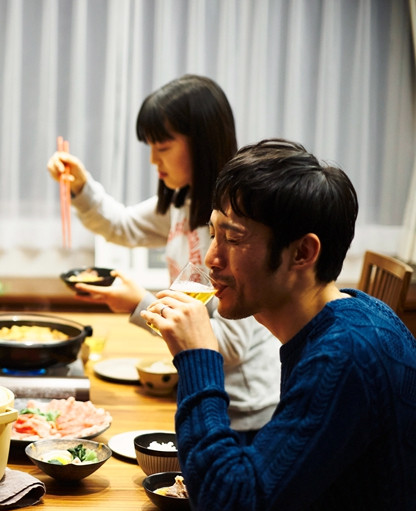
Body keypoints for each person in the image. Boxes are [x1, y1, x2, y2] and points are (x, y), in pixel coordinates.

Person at [141, 139, 416, 511]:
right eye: (213, 234)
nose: (212, 259)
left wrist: (199, 357)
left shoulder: (347, 353)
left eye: (233, 239)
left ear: (303, 253)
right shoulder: (349, 318)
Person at [47, 74, 280, 437]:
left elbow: (231, 346)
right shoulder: (184, 201)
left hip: (243, 411)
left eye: (164, 146)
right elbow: (121, 225)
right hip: (205, 391)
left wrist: (140, 305)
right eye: (150, 146)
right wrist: (80, 185)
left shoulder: (234, 227)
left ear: (202, 145)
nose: (154, 159)